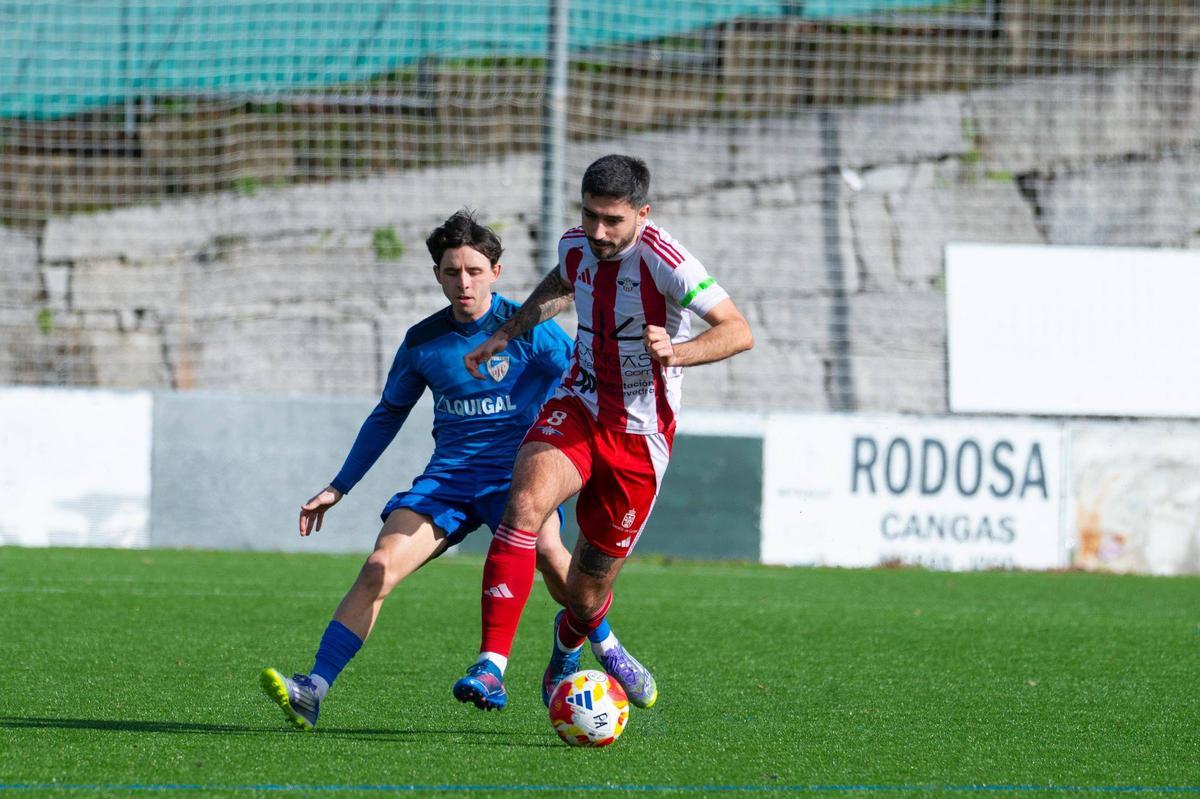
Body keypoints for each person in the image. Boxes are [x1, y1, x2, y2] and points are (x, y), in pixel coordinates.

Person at [259, 210, 647, 730]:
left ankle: (601, 641)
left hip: (520, 479)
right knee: (378, 567)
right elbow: (387, 414)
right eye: (450, 272)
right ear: (437, 275)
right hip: (449, 482)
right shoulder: (424, 341)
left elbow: (583, 384)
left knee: (558, 560)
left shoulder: (530, 331)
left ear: (496, 272)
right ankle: (313, 688)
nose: (463, 283)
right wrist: (339, 486)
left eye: (473, 271)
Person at [464, 155, 754, 709]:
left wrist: (679, 351)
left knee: (585, 587)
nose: (598, 231)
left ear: (642, 214)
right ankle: (491, 665)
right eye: (590, 215)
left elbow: (738, 332)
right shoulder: (576, 245)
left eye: (612, 221)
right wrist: (508, 331)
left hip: (640, 437)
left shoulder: (668, 262)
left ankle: (575, 641)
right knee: (523, 505)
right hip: (580, 404)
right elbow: (563, 281)